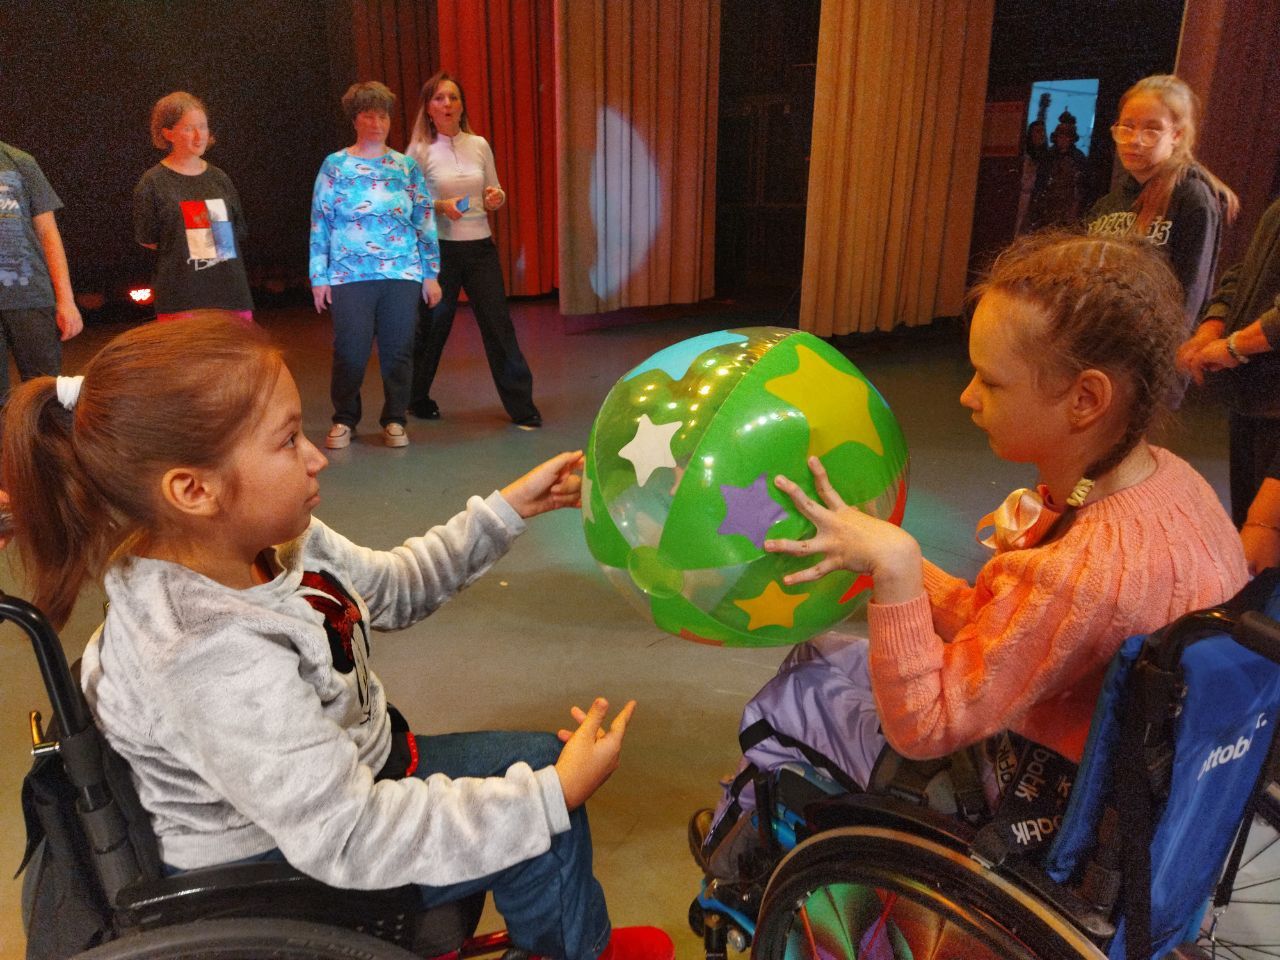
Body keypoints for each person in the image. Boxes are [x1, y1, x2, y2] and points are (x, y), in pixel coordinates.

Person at [0, 315, 674, 960]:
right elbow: (346, 836)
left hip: (341, 784)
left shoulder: (273, 540)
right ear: (193, 489)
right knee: (546, 808)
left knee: (536, 773)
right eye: (288, 440)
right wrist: (550, 796)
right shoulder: (206, 653)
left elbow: (393, 588)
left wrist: (507, 509)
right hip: (280, 868)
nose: (317, 457)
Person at [697, 232, 1248, 874]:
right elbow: (1022, 630)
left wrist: (899, 570)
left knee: (790, 698)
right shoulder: (1174, 483)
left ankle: (734, 862)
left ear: (1086, 399)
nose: (965, 396)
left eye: (990, 380)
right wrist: (884, 558)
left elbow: (925, 726)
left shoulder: (1081, 572)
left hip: (1040, 800)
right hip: (1149, 786)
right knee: (820, 654)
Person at [310, 81, 443, 450]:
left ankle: (395, 418)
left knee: (398, 348)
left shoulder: (405, 167)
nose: (377, 122)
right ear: (355, 120)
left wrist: (430, 274)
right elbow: (321, 221)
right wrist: (319, 277)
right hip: (349, 274)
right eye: (369, 115)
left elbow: (424, 221)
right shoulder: (335, 166)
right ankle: (344, 417)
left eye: (383, 115)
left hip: (401, 272)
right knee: (350, 350)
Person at [406, 71, 542, 430]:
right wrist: (440, 206)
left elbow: (493, 192)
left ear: (461, 105)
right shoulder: (419, 150)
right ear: (429, 108)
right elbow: (409, 201)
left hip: (480, 248)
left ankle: (523, 407)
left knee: (499, 325)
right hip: (440, 252)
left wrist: (496, 198)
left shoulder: (479, 144)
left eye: (453, 98)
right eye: (439, 98)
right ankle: (416, 396)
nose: (447, 104)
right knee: (434, 326)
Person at [1084, 75, 1238, 328]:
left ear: (1176, 135)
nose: (1135, 140)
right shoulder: (1107, 204)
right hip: (1106, 339)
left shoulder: (1192, 197)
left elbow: (1190, 294)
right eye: (1127, 127)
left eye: (1152, 130)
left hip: (1156, 348)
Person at [1178, 196, 1280, 570]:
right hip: (1255, 395)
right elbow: (1249, 270)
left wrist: (1237, 346)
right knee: (1249, 539)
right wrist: (1214, 325)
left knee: (1265, 538)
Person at [134, 92, 254, 324]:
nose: (199, 136)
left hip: (230, 296)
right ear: (167, 133)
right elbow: (149, 239)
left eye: (203, 127)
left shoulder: (220, 178)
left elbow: (237, 230)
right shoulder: (153, 182)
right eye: (189, 128)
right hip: (181, 299)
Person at [0, 140, 82, 404]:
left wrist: (66, 301)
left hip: (30, 295)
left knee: (44, 393)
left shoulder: (19, 161)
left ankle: (47, 447)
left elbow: (48, 233)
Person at [1026, 111, 1088, 231]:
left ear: (1071, 139)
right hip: (1047, 204)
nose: (1063, 139)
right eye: (1060, 136)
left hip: (1067, 204)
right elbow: (1041, 181)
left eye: (1066, 136)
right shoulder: (1049, 156)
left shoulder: (1078, 158)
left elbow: (1081, 186)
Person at [1012, 120, 1049, 237]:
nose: (1041, 135)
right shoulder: (1025, 155)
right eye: (1038, 131)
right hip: (1022, 197)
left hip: (1037, 198)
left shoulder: (1046, 157)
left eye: (1043, 132)